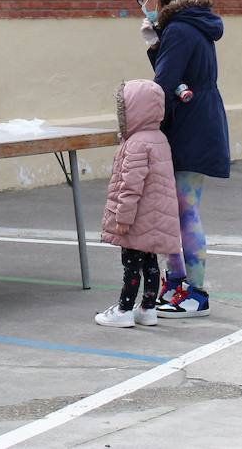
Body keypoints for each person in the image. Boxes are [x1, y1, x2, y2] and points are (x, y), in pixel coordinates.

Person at [134, 0, 230, 318]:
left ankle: (195, 292)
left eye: (142, 0)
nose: (142, 7)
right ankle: (176, 285)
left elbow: (163, 84)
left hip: (190, 128)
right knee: (175, 211)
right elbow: (176, 78)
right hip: (199, 123)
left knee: (183, 211)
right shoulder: (193, 25)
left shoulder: (177, 30)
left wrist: (155, 45)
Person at [94, 79, 181, 328]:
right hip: (156, 219)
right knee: (151, 264)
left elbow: (131, 186)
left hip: (136, 219)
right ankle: (148, 308)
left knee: (131, 266)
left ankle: (123, 309)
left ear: (133, 111)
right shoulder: (159, 138)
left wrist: (122, 218)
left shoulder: (135, 144)